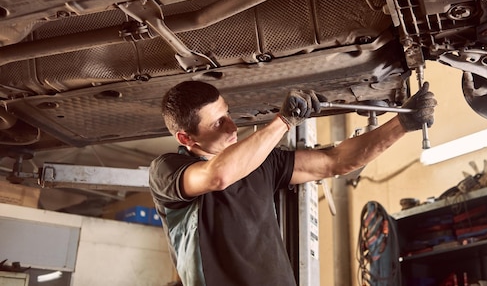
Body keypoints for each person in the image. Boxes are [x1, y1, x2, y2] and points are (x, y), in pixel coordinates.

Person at [149, 80, 436, 286]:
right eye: (217, 123)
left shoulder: (263, 162)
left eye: (227, 114)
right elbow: (217, 176)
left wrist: (403, 124)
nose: (232, 126)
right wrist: (284, 121)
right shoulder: (168, 170)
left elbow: (335, 161)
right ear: (186, 139)